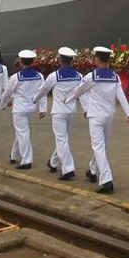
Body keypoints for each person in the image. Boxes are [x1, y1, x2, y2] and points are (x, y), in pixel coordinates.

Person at [65, 46, 129, 194]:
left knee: (99, 147)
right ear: (108, 60)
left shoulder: (92, 76)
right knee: (103, 146)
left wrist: (68, 98)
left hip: (96, 117)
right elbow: (121, 96)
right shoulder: (115, 77)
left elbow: (80, 90)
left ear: (97, 59)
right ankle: (92, 170)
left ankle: (106, 181)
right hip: (109, 116)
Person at [33, 46, 84, 181]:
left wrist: (35, 99)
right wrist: (86, 109)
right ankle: (53, 162)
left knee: (61, 140)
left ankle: (68, 169)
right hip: (71, 111)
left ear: (60, 60)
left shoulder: (54, 76)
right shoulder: (79, 75)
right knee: (63, 139)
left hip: (59, 112)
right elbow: (82, 93)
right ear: (71, 60)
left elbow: (43, 90)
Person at [1, 49, 47, 169]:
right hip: (31, 107)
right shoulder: (39, 76)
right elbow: (42, 92)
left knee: (23, 133)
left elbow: (7, 93)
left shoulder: (16, 77)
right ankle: (13, 156)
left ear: (20, 62)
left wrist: (3, 104)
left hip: (19, 109)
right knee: (21, 132)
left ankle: (27, 160)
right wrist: (43, 108)